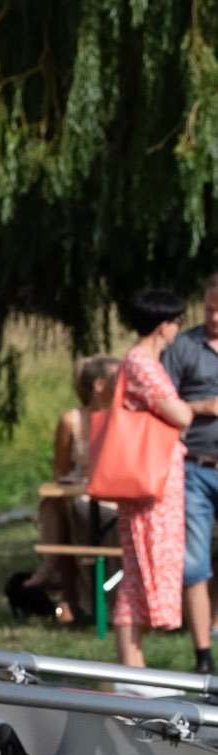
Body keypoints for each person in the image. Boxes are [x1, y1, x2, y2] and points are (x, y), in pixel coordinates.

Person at [109, 287, 192, 669]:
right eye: (176, 322)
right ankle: (130, 663)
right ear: (163, 326)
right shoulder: (142, 362)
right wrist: (199, 407)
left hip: (153, 484)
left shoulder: (140, 362)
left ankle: (133, 662)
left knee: (138, 570)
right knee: (140, 568)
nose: (178, 330)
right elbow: (181, 415)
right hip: (149, 488)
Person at [33, 354, 120, 626]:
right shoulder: (71, 421)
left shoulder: (124, 419)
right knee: (67, 508)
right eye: (118, 378)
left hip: (116, 498)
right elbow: (59, 471)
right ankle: (77, 595)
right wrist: (68, 479)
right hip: (84, 496)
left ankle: (74, 591)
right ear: (99, 385)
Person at [159, 274, 218, 672]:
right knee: (195, 561)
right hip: (194, 465)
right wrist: (201, 407)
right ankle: (202, 657)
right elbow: (160, 402)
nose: (214, 315)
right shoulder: (183, 347)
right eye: (210, 306)